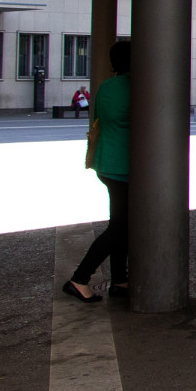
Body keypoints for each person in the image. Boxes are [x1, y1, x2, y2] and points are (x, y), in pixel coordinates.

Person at [62, 41, 131, 303]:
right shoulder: (134, 87)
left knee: (121, 225)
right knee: (119, 227)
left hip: (106, 163)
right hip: (123, 166)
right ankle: (80, 278)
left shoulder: (106, 86)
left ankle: (120, 280)